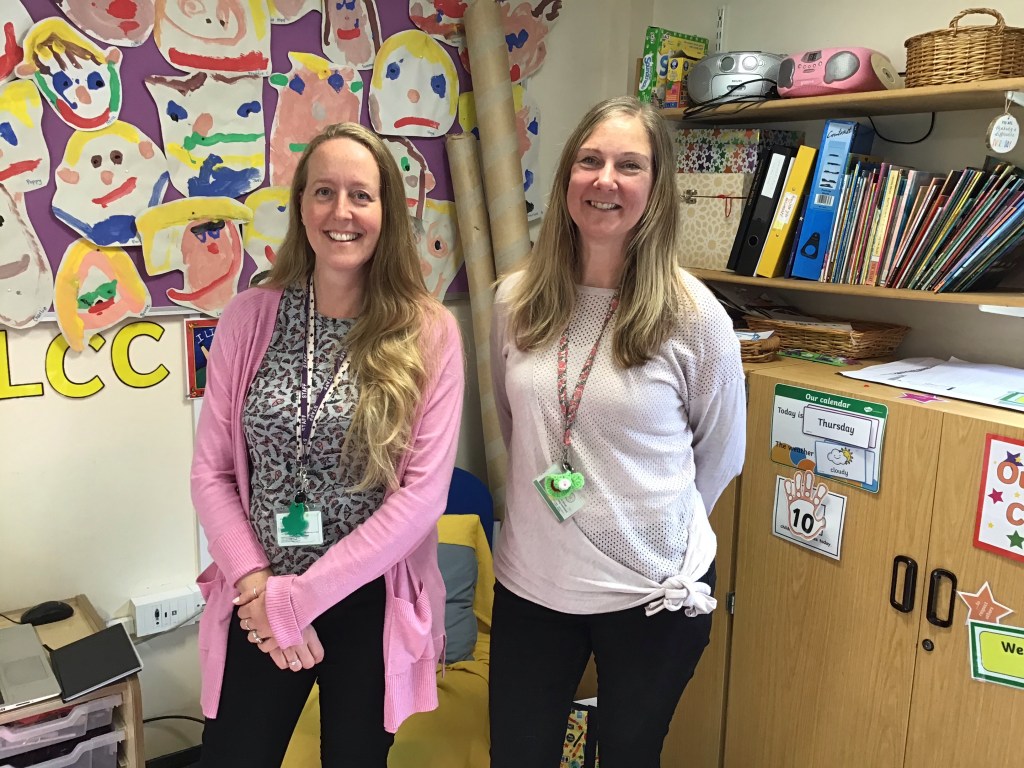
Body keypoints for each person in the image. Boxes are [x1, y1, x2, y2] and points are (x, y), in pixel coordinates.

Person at [191, 121, 464, 767]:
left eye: (361, 195)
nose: (341, 212)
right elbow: (211, 473)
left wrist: (302, 598)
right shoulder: (248, 316)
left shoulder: (428, 331)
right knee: (231, 756)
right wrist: (260, 586)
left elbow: (422, 498)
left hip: (370, 600)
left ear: (387, 212)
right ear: (301, 206)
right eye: (323, 192)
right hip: (260, 590)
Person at [488, 95, 746, 767]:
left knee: (630, 754)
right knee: (516, 755)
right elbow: (518, 424)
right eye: (590, 161)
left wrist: (641, 531)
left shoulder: (695, 316)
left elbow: (720, 453)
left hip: (650, 592)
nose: (605, 179)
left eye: (629, 165)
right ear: (567, 178)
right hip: (534, 582)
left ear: (656, 188)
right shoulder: (514, 300)